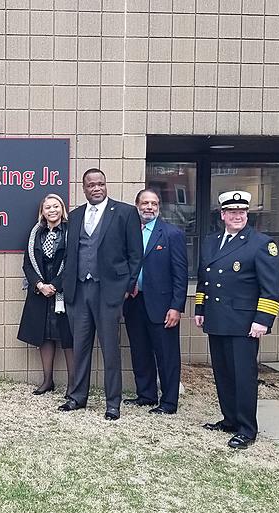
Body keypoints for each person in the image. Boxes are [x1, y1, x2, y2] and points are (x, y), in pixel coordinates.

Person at [194, 190, 279, 449]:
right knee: (223, 373)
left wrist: (263, 320)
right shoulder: (211, 242)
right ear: (222, 215)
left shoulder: (260, 243)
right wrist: (200, 309)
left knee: (243, 376)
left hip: (244, 323)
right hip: (217, 319)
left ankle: (247, 428)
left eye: (242, 212)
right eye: (231, 212)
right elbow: (205, 279)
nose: (237, 216)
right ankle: (230, 419)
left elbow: (271, 287)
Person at [58, 168, 144, 420]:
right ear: (83, 189)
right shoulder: (74, 217)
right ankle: (77, 397)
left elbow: (135, 255)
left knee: (110, 349)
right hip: (79, 290)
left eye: (100, 184)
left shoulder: (125, 213)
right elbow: (70, 254)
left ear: (106, 185)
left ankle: (112, 403)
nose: (96, 188)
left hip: (109, 292)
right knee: (80, 347)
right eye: (91, 185)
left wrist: (126, 288)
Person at [123, 189, 188, 414]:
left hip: (162, 306)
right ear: (137, 205)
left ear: (158, 206)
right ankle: (146, 395)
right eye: (145, 203)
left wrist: (176, 307)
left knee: (166, 355)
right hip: (134, 301)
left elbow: (181, 275)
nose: (149, 207)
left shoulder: (171, 234)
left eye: (154, 203)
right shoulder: (128, 232)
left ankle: (169, 402)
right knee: (140, 351)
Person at [17, 193, 74, 395]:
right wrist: (40, 285)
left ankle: (73, 386)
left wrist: (55, 285)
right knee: (45, 337)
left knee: (68, 338)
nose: (52, 210)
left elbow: (73, 261)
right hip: (40, 293)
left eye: (56, 206)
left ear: (62, 209)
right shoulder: (35, 234)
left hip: (64, 292)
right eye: (48, 207)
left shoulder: (71, 231)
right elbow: (27, 263)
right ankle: (47, 381)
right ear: (42, 211)